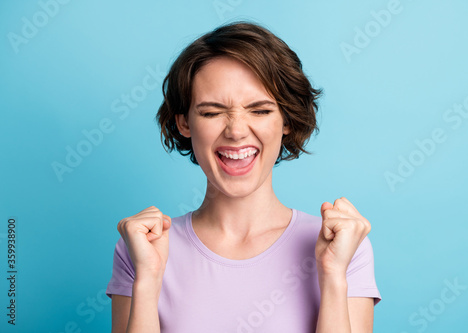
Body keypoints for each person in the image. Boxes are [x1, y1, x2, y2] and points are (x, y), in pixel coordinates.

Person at [106, 21, 381, 333]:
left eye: (260, 111)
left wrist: (332, 275)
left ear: (287, 120)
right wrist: (147, 280)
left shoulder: (342, 246)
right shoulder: (142, 248)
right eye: (211, 112)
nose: (236, 131)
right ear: (184, 123)